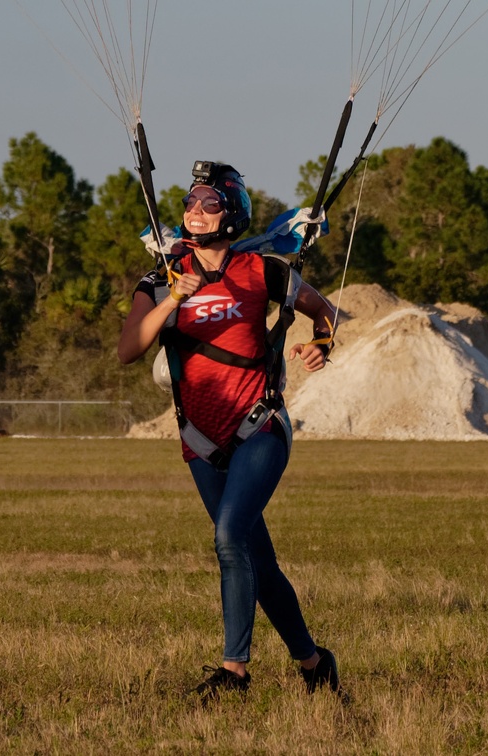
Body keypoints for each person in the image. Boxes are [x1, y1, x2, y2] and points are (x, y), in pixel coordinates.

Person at [118, 161, 341, 701]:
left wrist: (323, 345)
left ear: (232, 213)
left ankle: (234, 672)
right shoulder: (158, 280)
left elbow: (326, 311)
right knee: (256, 559)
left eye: (209, 202)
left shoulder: (262, 272)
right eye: (191, 202)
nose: (195, 211)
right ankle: (314, 665)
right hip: (200, 441)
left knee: (228, 538)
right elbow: (129, 350)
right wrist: (175, 297)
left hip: (260, 425)